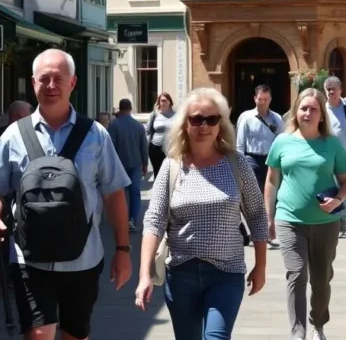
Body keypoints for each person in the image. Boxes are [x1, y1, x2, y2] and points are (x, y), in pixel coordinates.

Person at [0, 49, 133, 340]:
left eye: (58, 79)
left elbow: (114, 193)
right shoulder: (13, 135)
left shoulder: (96, 134)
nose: (51, 86)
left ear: (73, 83)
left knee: (75, 334)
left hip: (84, 257)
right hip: (29, 258)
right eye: (44, 79)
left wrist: (123, 251)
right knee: (39, 334)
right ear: (33, 83)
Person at [135, 88, 269, 339]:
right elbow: (154, 221)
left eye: (211, 119)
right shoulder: (171, 166)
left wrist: (260, 265)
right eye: (197, 119)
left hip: (226, 274)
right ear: (185, 124)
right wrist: (144, 276)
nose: (204, 125)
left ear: (221, 125)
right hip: (181, 274)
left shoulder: (236, 163)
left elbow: (257, 215)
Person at [265, 88, 346, 340]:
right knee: (296, 274)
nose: (307, 113)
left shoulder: (332, 144)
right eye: (303, 108)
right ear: (296, 111)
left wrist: (338, 199)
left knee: (321, 279)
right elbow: (272, 181)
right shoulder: (282, 141)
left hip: (326, 222)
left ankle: (318, 323)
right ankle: (298, 333)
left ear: (322, 115)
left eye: (313, 109)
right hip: (289, 219)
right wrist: (268, 217)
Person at [234, 84, 284, 247]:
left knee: (270, 196)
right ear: (255, 98)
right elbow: (240, 143)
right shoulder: (246, 118)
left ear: (270, 99)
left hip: (271, 159)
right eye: (260, 99)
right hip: (251, 159)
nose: (262, 102)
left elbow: (282, 140)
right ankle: (258, 231)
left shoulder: (277, 119)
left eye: (266, 99)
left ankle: (267, 231)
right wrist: (240, 165)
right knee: (253, 197)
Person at [323, 76, 346, 236]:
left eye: (334, 88)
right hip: (324, 155)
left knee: (344, 185)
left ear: (340, 90)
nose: (331, 92)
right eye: (328, 89)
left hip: (344, 155)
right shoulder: (321, 108)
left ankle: (342, 217)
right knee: (327, 186)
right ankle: (332, 218)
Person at [108, 98, 150, 231]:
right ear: (131, 108)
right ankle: (132, 219)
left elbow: (110, 146)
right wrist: (145, 164)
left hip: (118, 164)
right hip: (135, 163)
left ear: (119, 109)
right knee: (135, 192)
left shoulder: (114, 125)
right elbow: (144, 146)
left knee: (119, 193)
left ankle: (120, 219)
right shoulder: (138, 126)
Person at [146, 93, 176, 178]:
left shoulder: (176, 115)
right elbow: (147, 130)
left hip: (172, 148)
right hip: (156, 147)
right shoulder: (154, 114)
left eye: (164, 100)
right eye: (161, 101)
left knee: (171, 173)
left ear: (169, 102)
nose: (162, 103)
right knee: (158, 173)